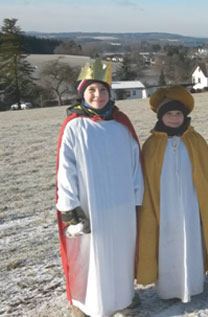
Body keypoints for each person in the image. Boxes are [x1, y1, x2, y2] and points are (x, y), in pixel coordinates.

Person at [55, 59, 144, 316]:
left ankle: (123, 298)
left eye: (103, 90)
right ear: (83, 93)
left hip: (121, 203)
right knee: (90, 252)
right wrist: (70, 206)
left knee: (121, 250)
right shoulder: (75, 126)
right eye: (92, 90)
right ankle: (88, 303)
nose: (98, 95)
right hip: (89, 202)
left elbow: (134, 161)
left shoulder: (120, 124)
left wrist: (137, 196)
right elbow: (66, 168)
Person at [136, 85, 208, 303]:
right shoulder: (152, 145)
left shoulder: (196, 141)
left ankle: (193, 284)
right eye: (169, 114)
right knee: (167, 243)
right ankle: (168, 288)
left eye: (178, 114)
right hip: (164, 206)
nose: (174, 118)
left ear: (185, 116)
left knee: (191, 239)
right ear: (160, 116)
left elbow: (206, 176)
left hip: (191, 204)